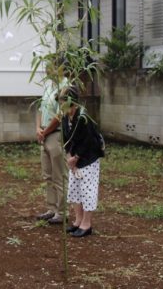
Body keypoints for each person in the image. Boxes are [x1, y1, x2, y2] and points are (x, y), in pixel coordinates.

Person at [59, 85, 104, 237]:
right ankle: (78, 221)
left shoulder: (83, 117)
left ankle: (87, 224)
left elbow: (89, 142)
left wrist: (76, 158)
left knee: (87, 190)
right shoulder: (66, 116)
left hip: (87, 158)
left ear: (71, 101)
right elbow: (66, 139)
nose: (60, 104)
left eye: (63, 100)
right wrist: (69, 157)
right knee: (74, 189)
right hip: (73, 159)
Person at [36, 63, 67, 225]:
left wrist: (45, 131)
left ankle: (61, 212)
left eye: (52, 67)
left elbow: (60, 115)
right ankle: (51, 208)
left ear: (60, 68)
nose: (48, 71)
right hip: (44, 135)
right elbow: (41, 109)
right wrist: (38, 128)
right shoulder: (48, 85)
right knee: (47, 175)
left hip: (56, 135)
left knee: (58, 175)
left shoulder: (65, 87)